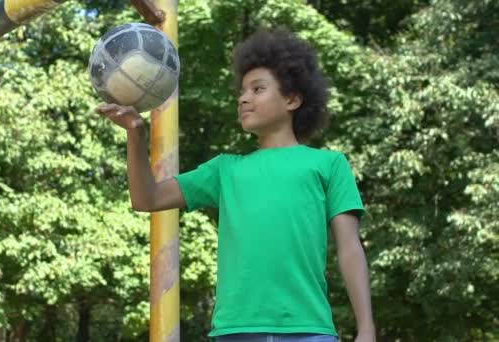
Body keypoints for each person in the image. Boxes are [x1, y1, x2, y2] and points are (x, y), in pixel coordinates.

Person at [96, 28, 375, 342]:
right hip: (235, 332)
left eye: (258, 89)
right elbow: (146, 198)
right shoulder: (224, 170)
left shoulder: (329, 165)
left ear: (292, 99)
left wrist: (366, 328)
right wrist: (135, 133)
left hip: (309, 330)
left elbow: (350, 248)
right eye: (242, 91)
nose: (244, 98)